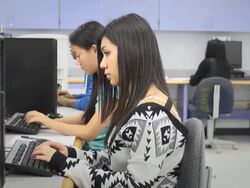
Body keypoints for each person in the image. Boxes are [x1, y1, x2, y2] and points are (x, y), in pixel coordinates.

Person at [31, 14, 187, 188]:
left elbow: (132, 184)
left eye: (107, 53)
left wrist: (63, 164)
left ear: (131, 52)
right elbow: (114, 161)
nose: (103, 64)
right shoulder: (143, 103)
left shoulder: (150, 117)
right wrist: (70, 153)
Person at [25, 21, 108, 151]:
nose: (77, 62)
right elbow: (88, 116)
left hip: (96, 153)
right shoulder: (100, 80)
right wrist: (46, 122)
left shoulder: (112, 84)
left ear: (94, 50)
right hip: (91, 149)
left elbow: (89, 131)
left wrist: (48, 122)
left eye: (78, 56)